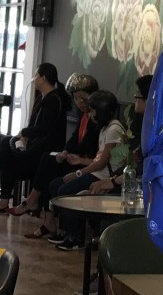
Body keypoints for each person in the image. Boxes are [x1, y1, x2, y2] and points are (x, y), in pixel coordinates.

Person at [36, 90, 123, 247]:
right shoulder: (105, 128)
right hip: (97, 172)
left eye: (93, 110)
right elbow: (98, 159)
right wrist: (80, 161)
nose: (91, 114)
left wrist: (78, 173)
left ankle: (75, 237)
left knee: (66, 190)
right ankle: (64, 230)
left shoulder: (113, 129)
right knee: (55, 185)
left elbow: (102, 163)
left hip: (104, 176)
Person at [0, 63, 67, 214]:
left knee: (7, 149)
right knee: (6, 153)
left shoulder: (54, 100)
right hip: (35, 147)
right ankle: (0, 195)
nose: (33, 79)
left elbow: (44, 129)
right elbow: (34, 125)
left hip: (43, 153)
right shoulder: (42, 98)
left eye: (36, 75)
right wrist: (25, 137)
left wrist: (24, 133)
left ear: (44, 78)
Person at [10, 74, 101, 218]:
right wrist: (65, 151)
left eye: (83, 98)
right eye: (76, 98)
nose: (80, 102)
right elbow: (74, 138)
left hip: (87, 163)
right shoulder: (84, 116)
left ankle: (33, 203)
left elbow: (88, 143)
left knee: (48, 166)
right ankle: (40, 211)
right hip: (75, 158)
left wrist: (69, 155)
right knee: (47, 161)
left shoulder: (96, 119)